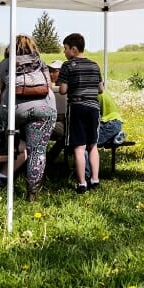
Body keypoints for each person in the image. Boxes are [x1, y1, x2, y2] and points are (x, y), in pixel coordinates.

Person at [0, 35, 56, 201]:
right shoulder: (41, 62)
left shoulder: (5, 64)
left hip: (14, 110)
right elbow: (49, 85)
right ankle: (32, 194)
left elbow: (1, 88)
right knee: (37, 150)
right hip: (43, 108)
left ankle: (2, 173)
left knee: (13, 141)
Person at [57, 32, 103, 193]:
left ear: (74, 49)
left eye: (66, 48)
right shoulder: (95, 65)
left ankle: (82, 182)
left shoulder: (67, 66)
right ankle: (95, 179)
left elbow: (63, 90)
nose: (64, 52)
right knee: (93, 145)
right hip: (93, 108)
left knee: (79, 147)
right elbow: (101, 89)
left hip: (76, 107)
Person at [45, 59, 69, 163]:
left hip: (65, 124)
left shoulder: (67, 90)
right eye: (49, 70)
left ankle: (48, 161)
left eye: (54, 71)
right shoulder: (49, 89)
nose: (51, 74)